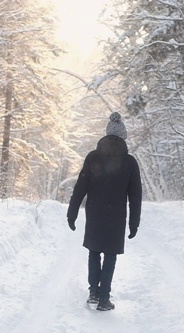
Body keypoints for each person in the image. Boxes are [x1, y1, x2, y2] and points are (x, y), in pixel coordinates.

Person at [67, 112, 142, 311]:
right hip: (116, 216)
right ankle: (104, 298)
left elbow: (80, 187)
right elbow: (135, 196)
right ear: (123, 137)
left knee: (94, 251)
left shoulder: (93, 158)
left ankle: (93, 292)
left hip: (95, 213)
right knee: (110, 254)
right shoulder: (130, 162)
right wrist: (134, 222)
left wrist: (72, 212)